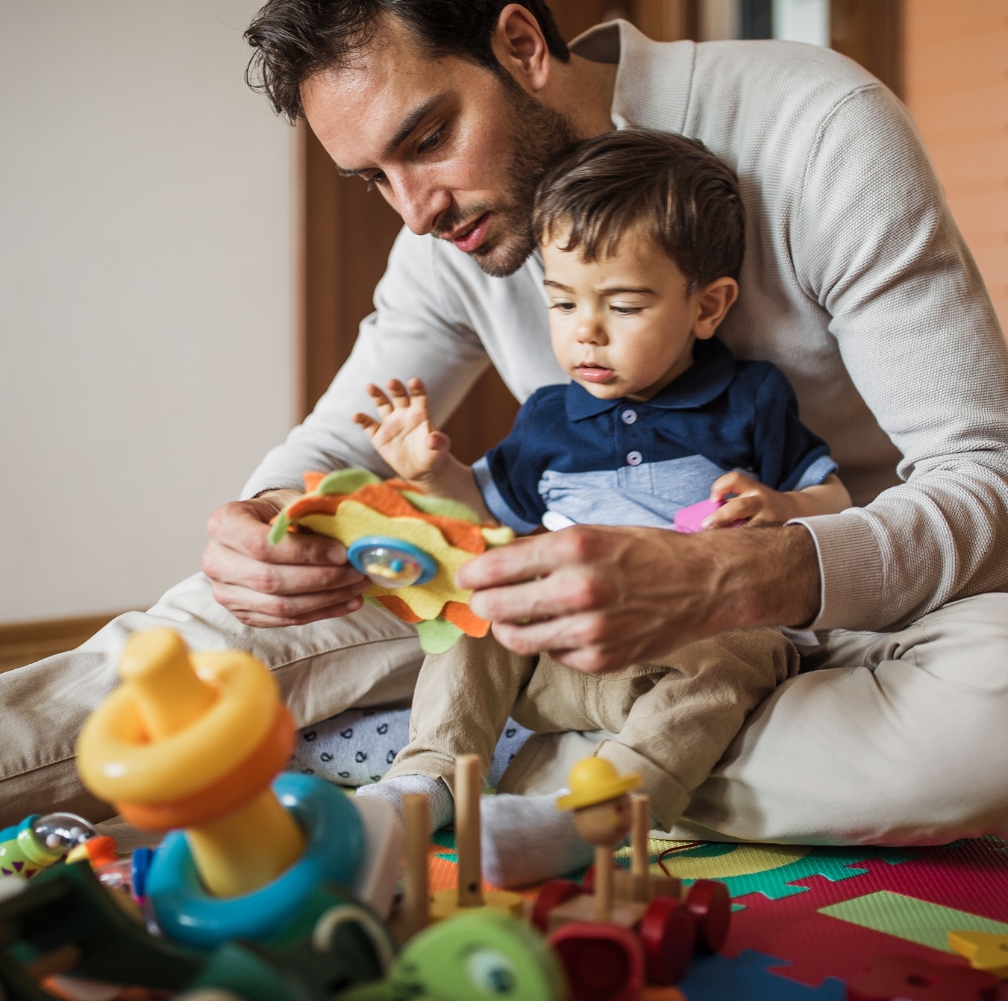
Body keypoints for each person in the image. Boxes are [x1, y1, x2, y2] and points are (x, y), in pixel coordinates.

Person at [2, 0, 1008, 849]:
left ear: (522, 45)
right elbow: (338, 446)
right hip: (545, 628)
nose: (413, 208)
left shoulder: (819, 129)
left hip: (818, 628)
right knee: (213, 618)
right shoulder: (447, 231)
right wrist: (262, 519)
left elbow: (1002, 495)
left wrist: (737, 577)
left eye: (426, 139)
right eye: (373, 178)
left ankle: (413, 765)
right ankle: (537, 778)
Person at [351, 130, 849, 883]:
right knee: (471, 611)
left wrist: (780, 504)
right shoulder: (549, 417)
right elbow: (486, 512)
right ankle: (426, 779)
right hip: (555, 663)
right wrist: (433, 468)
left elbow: (837, 497)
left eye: (623, 304)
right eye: (561, 301)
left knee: (740, 655)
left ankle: (597, 816)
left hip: (688, 650)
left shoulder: (750, 398)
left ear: (707, 307)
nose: (585, 330)